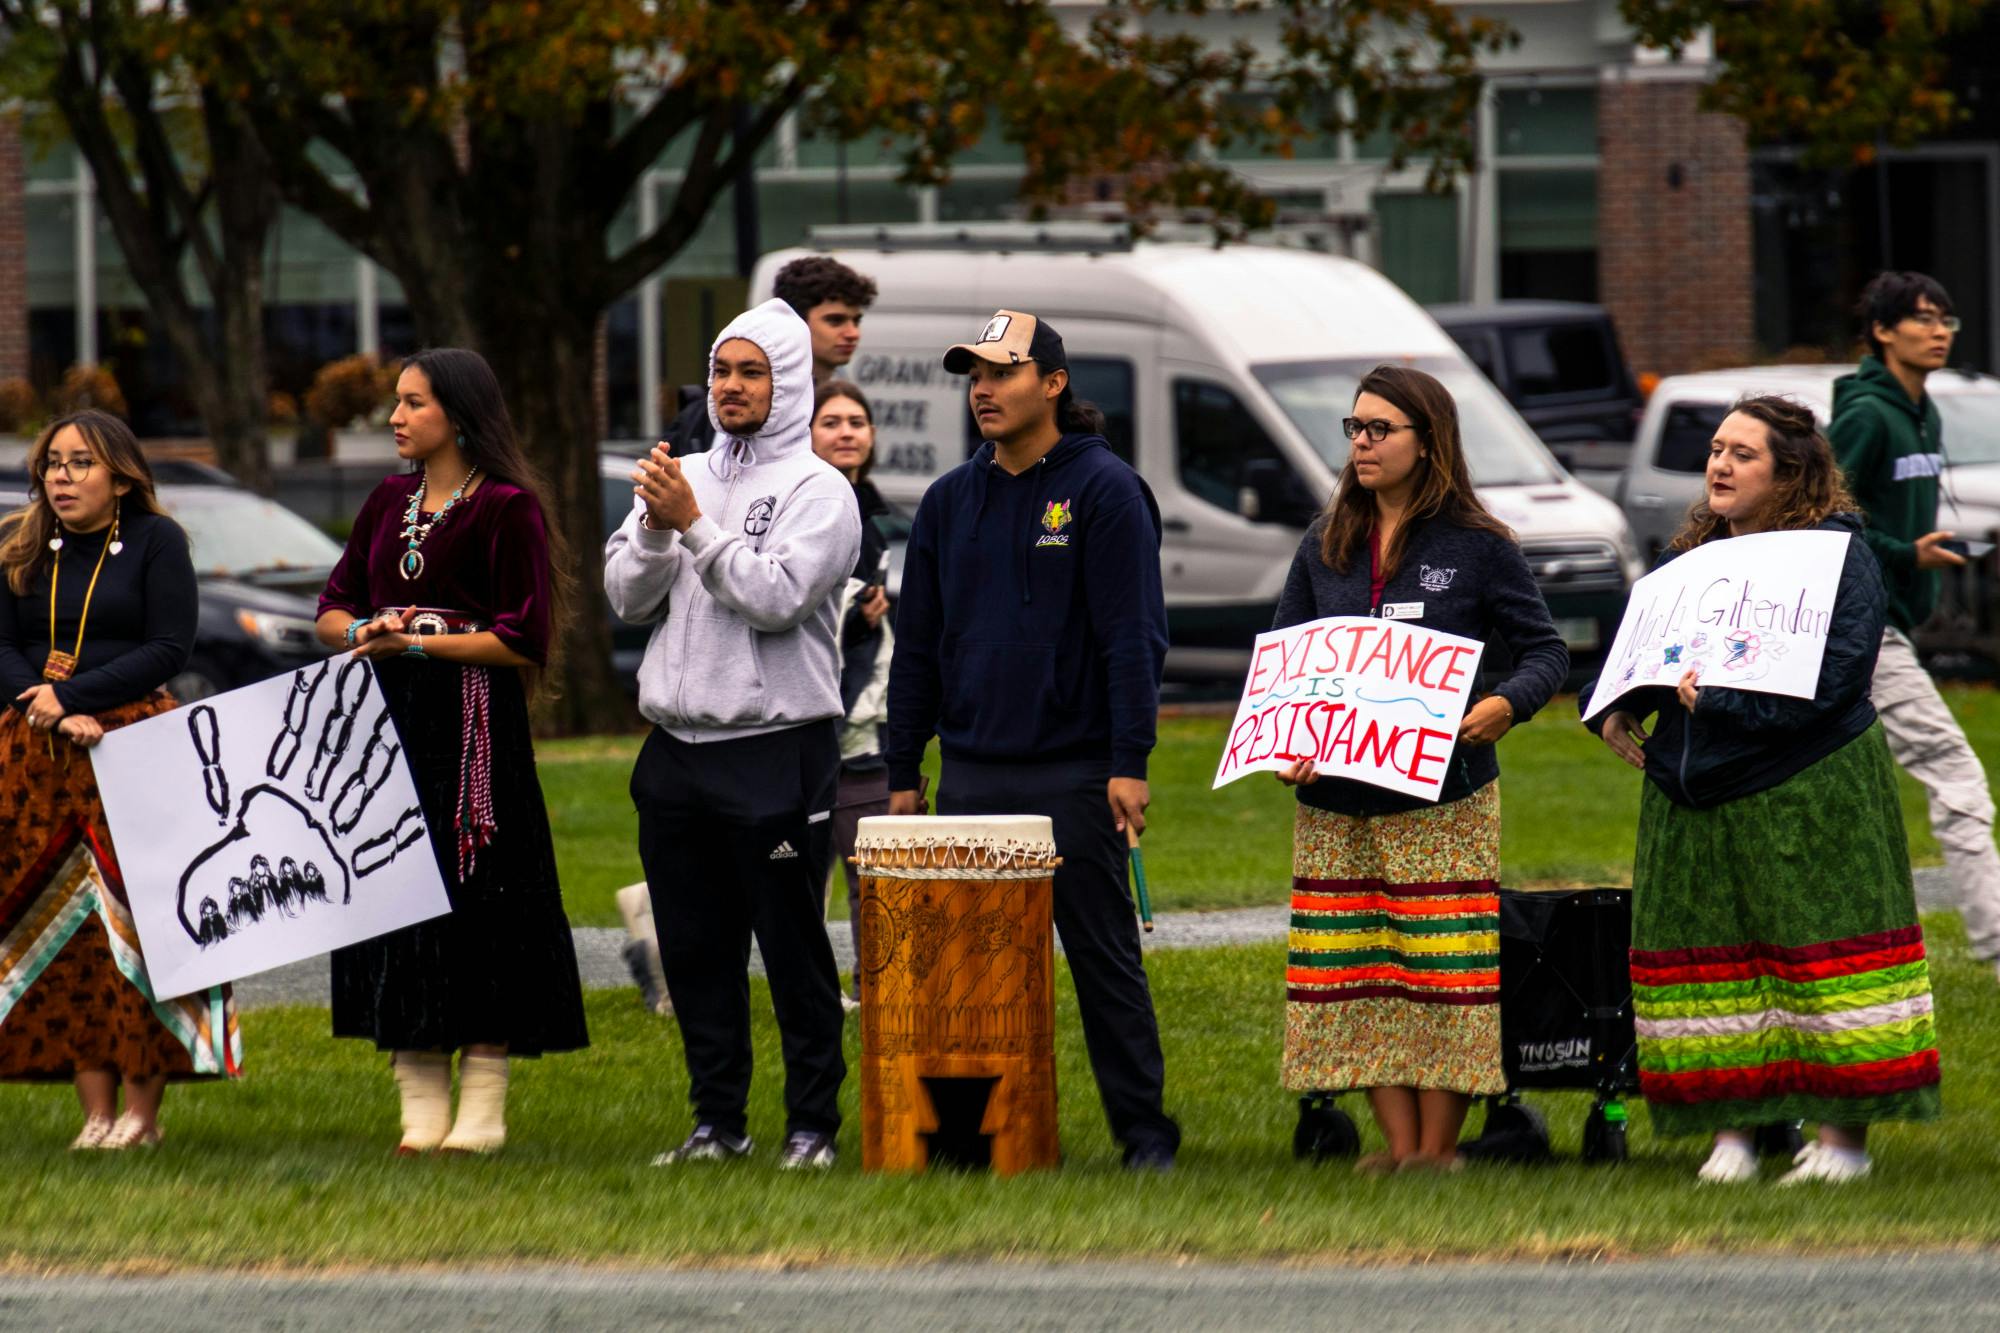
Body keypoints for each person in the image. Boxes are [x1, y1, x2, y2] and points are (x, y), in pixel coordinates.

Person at [1586, 396, 1940, 1185]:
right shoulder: (1692, 560)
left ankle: (1843, 1144)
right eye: (1716, 449)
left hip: (1807, 784)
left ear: (1793, 474)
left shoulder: (1837, 559)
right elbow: (1640, 651)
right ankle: (1733, 1138)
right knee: (1717, 963)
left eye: (1742, 454)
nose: (1719, 464)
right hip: (1694, 796)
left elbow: (1834, 680)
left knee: (1822, 957)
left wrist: (1719, 703)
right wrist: (1613, 706)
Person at [884, 308, 1181, 1171]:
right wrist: (907, 767)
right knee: (973, 976)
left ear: (1052, 383)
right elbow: (922, 648)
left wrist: (1130, 762)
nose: (983, 388)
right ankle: (981, 1136)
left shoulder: (1105, 490)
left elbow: (1134, 637)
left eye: (1003, 372)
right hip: (975, 771)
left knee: (1103, 962)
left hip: (1077, 771)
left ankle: (1145, 1137)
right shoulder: (948, 500)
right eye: (974, 374)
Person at [1269, 365, 1567, 1172]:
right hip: (1337, 803)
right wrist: (1285, 744)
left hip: (1444, 797)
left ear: (1427, 442)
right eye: (1353, 428)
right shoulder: (1324, 541)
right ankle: (1398, 1146)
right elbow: (1287, 667)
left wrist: (1507, 704)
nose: (1360, 443)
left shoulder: (1478, 545)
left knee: (1442, 968)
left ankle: (1439, 1148)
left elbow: (1547, 651)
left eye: (1378, 429)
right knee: (1355, 971)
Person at [606, 298, 860, 1170]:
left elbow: (776, 597)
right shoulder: (686, 473)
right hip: (675, 753)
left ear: (789, 383)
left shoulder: (821, 489)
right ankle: (718, 1124)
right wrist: (652, 523)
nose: (732, 387)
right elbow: (625, 600)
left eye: (752, 372)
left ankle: (811, 1126)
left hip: (775, 749)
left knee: (791, 949)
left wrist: (695, 526)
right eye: (722, 370)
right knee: (695, 952)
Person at [315, 347, 588, 1156]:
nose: (395, 417)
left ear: (459, 414)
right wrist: (368, 631)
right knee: (396, 890)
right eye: (396, 403)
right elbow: (331, 611)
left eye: (412, 403)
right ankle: (419, 1099)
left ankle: (483, 1105)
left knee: (482, 899)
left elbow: (523, 637)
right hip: (387, 728)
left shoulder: (508, 508)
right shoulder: (385, 501)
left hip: (473, 737)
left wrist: (425, 643)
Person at [0, 410, 241, 1148]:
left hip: (132, 744)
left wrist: (73, 697)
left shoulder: (155, 542)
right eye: (52, 463)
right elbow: (2, 649)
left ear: (121, 475)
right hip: (33, 753)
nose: (62, 477)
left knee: (140, 925)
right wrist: (41, 704)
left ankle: (143, 1114)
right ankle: (96, 1114)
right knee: (61, 932)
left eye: (80, 463)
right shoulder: (17, 544)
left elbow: (172, 646)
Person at [1829, 271, 2000, 982]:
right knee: (1958, 775)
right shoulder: (1868, 416)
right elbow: (1821, 519)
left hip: (1890, 622)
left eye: (1947, 319)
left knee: (1830, 796)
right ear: (1882, 331)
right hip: (1861, 631)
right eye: (1923, 319)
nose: (1939, 331)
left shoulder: (1922, 411)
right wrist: (1905, 552)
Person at [810, 378, 894, 1010]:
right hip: (804, 728)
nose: (846, 431)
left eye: (856, 421)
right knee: (799, 882)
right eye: (831, 420)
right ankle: (810, 993)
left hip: (870, 732)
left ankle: (879, 988)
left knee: (877, 877)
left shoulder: (888, 519)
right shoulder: (801, 508)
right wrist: (851, 611)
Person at [662, 256, 878, 457]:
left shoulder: (842, 413)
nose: (852, 333)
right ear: (794, 322)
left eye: (856, 321)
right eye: (835, 320)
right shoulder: (699, 418)